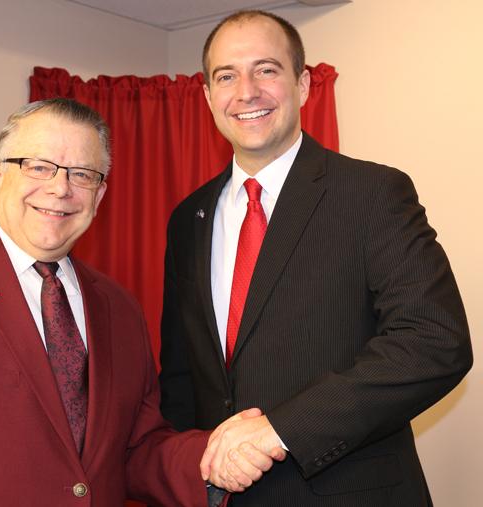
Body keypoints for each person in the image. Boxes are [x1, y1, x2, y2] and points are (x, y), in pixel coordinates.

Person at [0, 98, 271, 506]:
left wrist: (213, 455)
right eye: (39, 166)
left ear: (99, 195)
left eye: (82, 174)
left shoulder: (118, 307)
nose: (60, 188)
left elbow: (136, 450)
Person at [159, 10, 473, 506]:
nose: (246, 91)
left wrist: (279, 431)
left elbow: (434, 341)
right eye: (226, 76)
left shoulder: (372, 193)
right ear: (207, 97)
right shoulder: (188, 219)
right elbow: (182, 377)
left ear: (303, 85)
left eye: (266, 69)